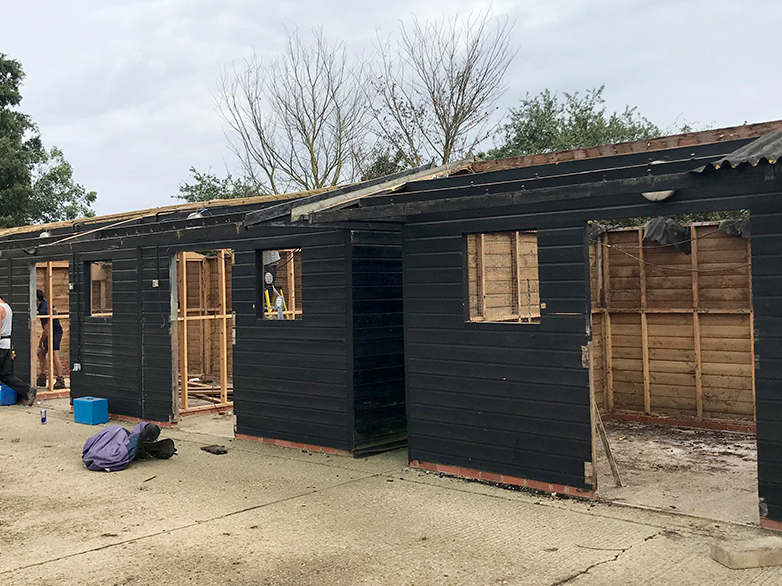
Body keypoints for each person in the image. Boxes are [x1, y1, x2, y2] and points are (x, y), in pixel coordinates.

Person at [0, 295, 37, 406]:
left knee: (5, 375)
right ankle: (27, 389)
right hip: (6, 345)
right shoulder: (7, 307)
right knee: (6, 375)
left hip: (1, 346)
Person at [36, 289, 65, 389]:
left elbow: (47, 329)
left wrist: (41, 341)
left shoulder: (43, 309)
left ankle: (60, 379)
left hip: (55, 332)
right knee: (41, 353)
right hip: (51, 331)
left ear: (36, 299)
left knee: (54, 355)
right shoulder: (45, 302)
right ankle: (42, 377)